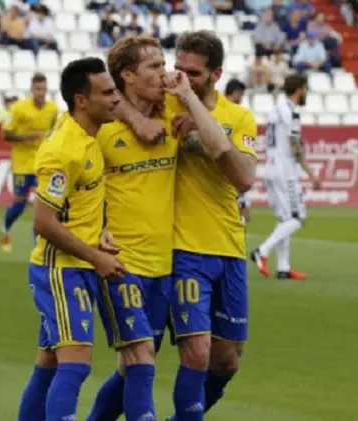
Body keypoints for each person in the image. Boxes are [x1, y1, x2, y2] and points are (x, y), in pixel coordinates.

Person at [121, 30, 257, 421]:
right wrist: (135, 117)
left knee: (227, 361)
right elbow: (111, 100)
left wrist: (195, 116)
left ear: (216, 74)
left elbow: (243, 177)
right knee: (188, 353)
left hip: (229, 247)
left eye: (192, 73)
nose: (179, 77)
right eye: (176, 67)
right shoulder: (161, 104)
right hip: (183, 250)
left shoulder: (238, 116)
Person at [16, 57, 125, 421]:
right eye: (107, 92)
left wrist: (101, 234)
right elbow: (43, 222)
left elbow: (78, 205)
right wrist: (96, 257)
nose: (115, 98)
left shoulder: (86, 134)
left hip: (74, 266)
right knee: (76, 362)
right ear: (82, 100)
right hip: (61, 270)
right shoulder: (64, 150)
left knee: (49, 361)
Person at [85, 35, 174, 421]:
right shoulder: (99, 130)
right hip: (119, 263)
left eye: (163, 64)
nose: (163, 73)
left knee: (131, 366)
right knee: (141, 355)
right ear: (127, 76)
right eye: (154, 66)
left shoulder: (174, 117)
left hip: (165, 264)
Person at [250, 74, 321, 280]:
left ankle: (283, 266)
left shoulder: (274, 110)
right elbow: (295, 146)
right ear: (299, 89)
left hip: (271, 168)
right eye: (306, 89)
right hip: (285, 172)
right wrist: (311, 174)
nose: (306, 93)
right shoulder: (292, 114)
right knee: (298, 217)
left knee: (284, 218)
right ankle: (262, 251)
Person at [0, 73, 59, 252]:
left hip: (43, 163)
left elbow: (54, 130)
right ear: (32, 90)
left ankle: (38, 248)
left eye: (43, 89)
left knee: (42, 204)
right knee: (20, 202)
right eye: (37, 89)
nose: (41, 93)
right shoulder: (18, 109)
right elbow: (5, 134)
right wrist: (26, 136)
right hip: (22, 163)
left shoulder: (52, 109)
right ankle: (4, 229)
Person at [224, 79, 253, 225]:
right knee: (242, 216)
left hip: (230, 171)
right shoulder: (234, 114)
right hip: (232, 172)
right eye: (241, 94)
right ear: (235, 93)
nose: (241, 98)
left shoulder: (220, 110)